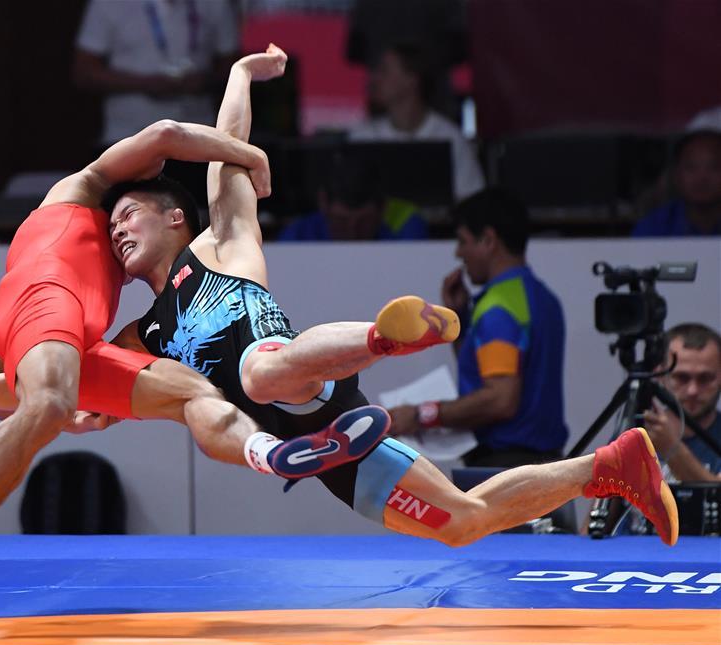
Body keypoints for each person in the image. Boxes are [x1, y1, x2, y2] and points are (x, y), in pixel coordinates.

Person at [105, 47, 677, 551]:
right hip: (322, 445)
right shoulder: (144, 336)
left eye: (129, 215)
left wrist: (241, 72)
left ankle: (386, 336)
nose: (119, 231)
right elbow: (87, 399)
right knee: (461, 521)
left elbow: (228, 152)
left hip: (303, 380)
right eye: (111, 228)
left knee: (260, 374)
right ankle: (609, 466)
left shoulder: (216, 245)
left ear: (175, 217)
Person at [0, 119, 390, 642]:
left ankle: (273, 454)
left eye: (129, 218)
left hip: (71, 334)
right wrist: (252, 153)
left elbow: (21, 337)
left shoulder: (117, 266)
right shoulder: (80, 189)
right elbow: (167, 135)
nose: (119, 230)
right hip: (50, 306)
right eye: (118, 219)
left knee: (192, 391)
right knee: (51, 405)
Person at [388, 187, 568, 468]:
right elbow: (491, 378)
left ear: (488, 240)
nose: (459, 253)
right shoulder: (543, 299)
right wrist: (461, 317)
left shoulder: (498, 308)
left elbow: (500, 399)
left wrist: (421, 415)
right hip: (543, 464)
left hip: (505, 468)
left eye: (463, 241)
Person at [73, 0, 239, 146]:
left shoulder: (216, 3)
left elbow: (234, 67)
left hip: (199, 137)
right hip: (128, 139)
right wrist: (145, 84)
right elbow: (84, 72)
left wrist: (205, 82)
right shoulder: (109, 3)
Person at [348, 42, 484, 202]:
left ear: (412, 80)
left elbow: (473, 199)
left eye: (384, 71)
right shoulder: (363, 137)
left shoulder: (450, 137)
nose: (374, 78)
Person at [277, 154, 428, 241]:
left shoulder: (406, 226)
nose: (353, 234)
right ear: (323, 203)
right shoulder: (298, 235)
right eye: (341, 222)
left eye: (364, 222)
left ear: (383, 207)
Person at [644, 323, 721, 481]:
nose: (693, 390)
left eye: (705, 378)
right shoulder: (636, 431)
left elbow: (716, 502)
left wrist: (671, 448)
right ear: (660, 374)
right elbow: (602, 504)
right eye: (681, 378)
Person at [632, 130, 721, 237]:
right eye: (691, 167)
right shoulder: (653, 227)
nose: (702, 178)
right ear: (676, 174)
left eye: (714, 167)